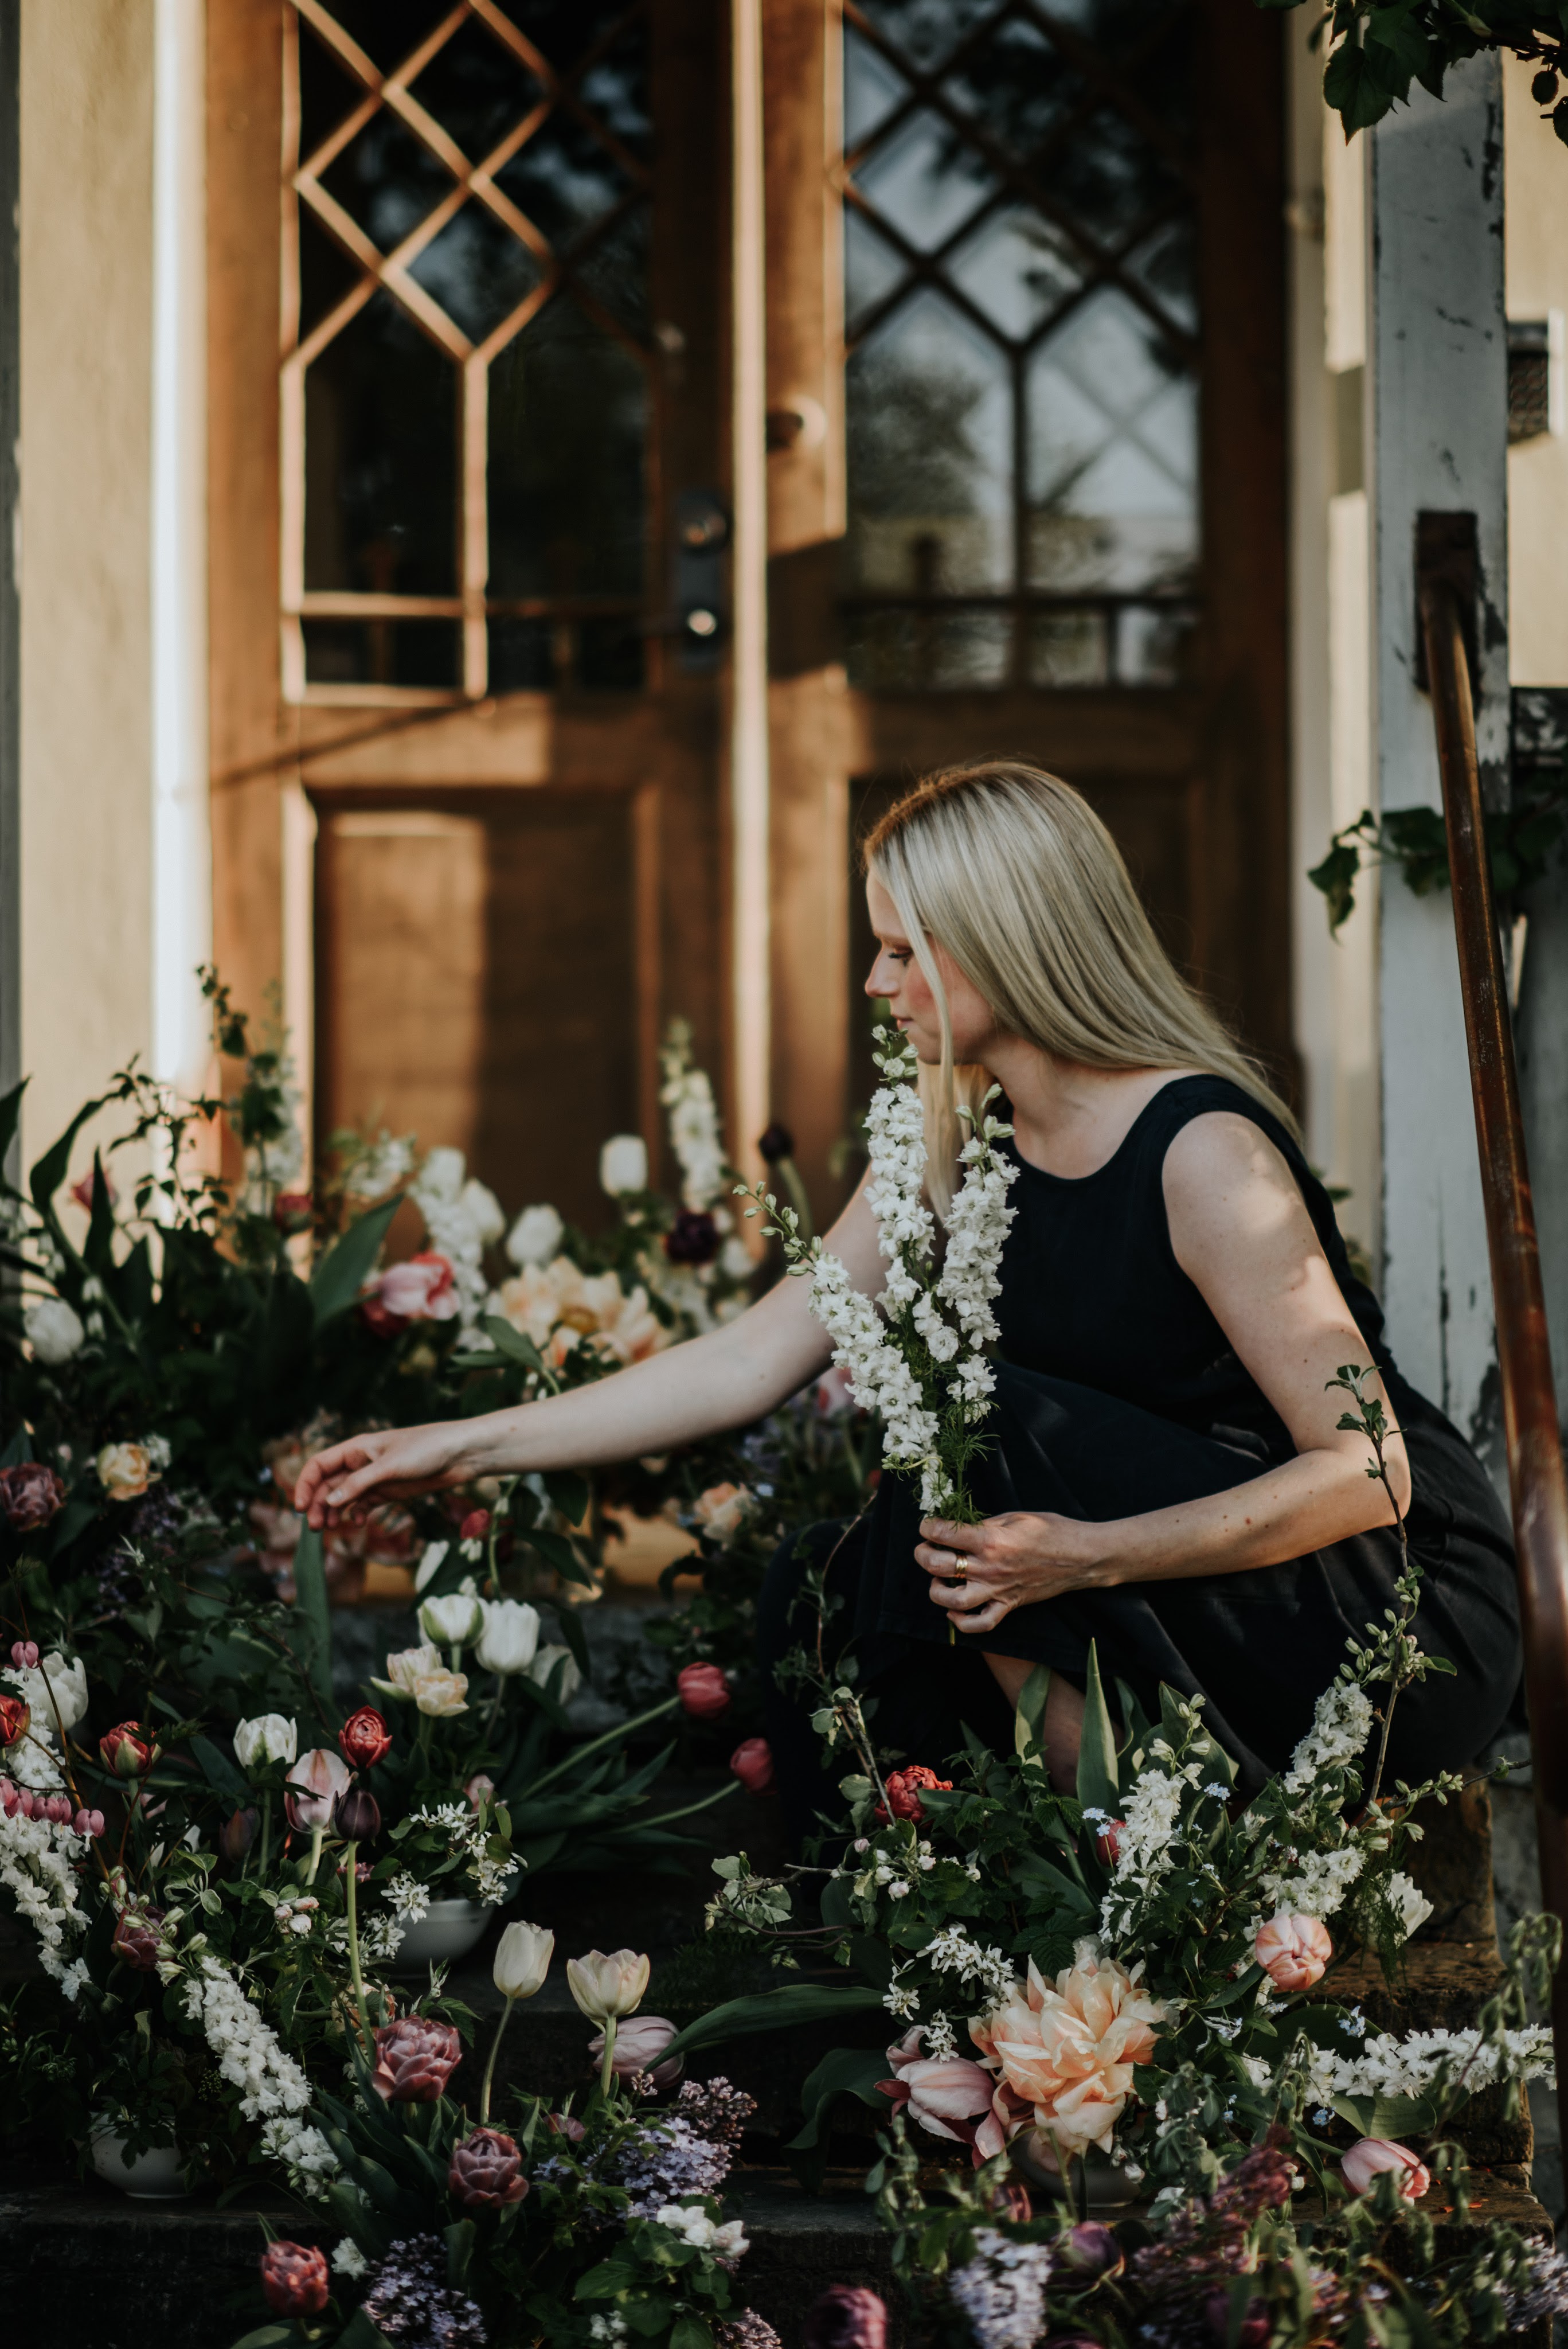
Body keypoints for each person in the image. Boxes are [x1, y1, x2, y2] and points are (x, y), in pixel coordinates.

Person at [297, 762, 1521, 1845]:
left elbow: (1369, 1473)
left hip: (1379, 1612)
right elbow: (750, 1358)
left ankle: (1143, 1879)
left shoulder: (1201, 1150)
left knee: (967, 1425)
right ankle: (923, 1923)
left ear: (1002, 942)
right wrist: (461, 1447)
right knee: (822, 1591)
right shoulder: (952, 1147)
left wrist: (1087, 1556)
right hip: (1172, 1595)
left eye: (901, 951)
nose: (874, 980)